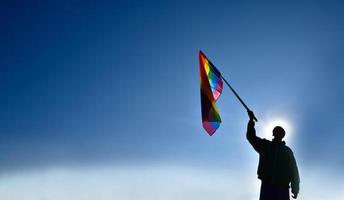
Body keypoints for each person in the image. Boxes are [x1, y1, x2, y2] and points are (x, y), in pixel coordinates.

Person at [246, 110, 300, 200]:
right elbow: (251, 137)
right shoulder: (265, 145)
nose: (278, 133)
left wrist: (295, 187)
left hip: (282, 187)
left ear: (283, 135)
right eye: (277, 131)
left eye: (280, 132)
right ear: (273, 133)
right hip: (267, 185)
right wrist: (251, 121)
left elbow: (294, 170)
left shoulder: (287, 151)